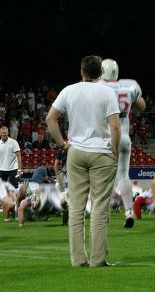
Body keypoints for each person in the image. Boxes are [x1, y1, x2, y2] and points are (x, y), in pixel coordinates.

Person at [46, 55, 120, 267]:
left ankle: (78, 260)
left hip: (76, 152)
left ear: (82, 72)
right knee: (99, 208)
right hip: (101, 153)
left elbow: (50, 118)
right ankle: (98, 259)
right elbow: (114, 126)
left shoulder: (69, 90)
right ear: (100, 73)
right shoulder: (107, 92)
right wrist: (114, 153)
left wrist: (62, 143)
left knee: (76, 208)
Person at [100, 58, 146, 228]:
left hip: (106, 138)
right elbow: (142, 106)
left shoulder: (98, 87)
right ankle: (128, 211)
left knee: (102, 176)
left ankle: (102, 213)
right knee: (123, 175)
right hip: (125, 137)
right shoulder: (130, 85)